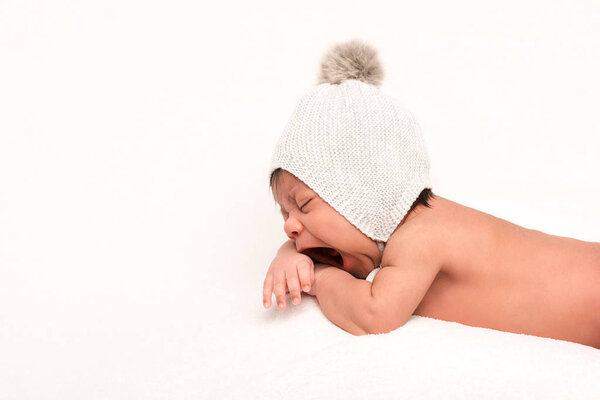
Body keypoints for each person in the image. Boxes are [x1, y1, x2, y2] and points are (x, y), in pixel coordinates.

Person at [262, 39, 600, 348]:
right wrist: (289, 257)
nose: (290, 227)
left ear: (364, 191)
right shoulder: (393, 243)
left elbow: (373, 315)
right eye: (284, 214)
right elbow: (350, 261)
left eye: (303, 204)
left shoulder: (423, 235)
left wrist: (318, 278)